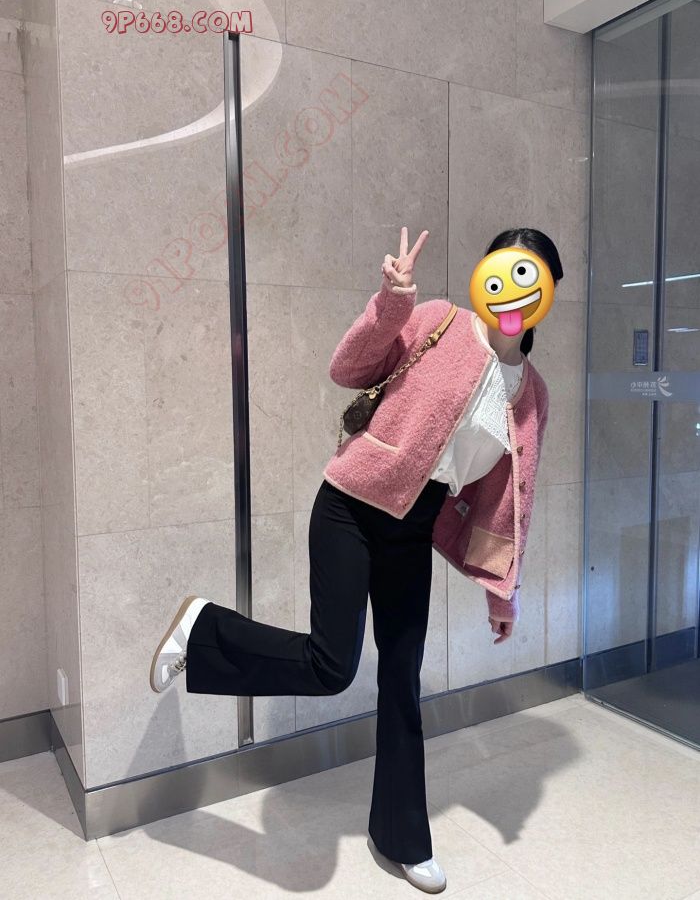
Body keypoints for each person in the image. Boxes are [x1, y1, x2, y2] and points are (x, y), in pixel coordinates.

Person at [149, 226, 559, 894]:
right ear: (488, 271)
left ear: (547, 292)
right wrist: (392, 303)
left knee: (402, 680)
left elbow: (509, 502)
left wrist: (500, 591)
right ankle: (203, 629)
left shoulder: (532, 394)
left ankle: (402, 837)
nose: (514, 287)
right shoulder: (438, 321)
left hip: (414, 529)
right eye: (505, 268)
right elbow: (347, 369)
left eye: (531, 275)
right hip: (352, 506)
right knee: (331, 665)